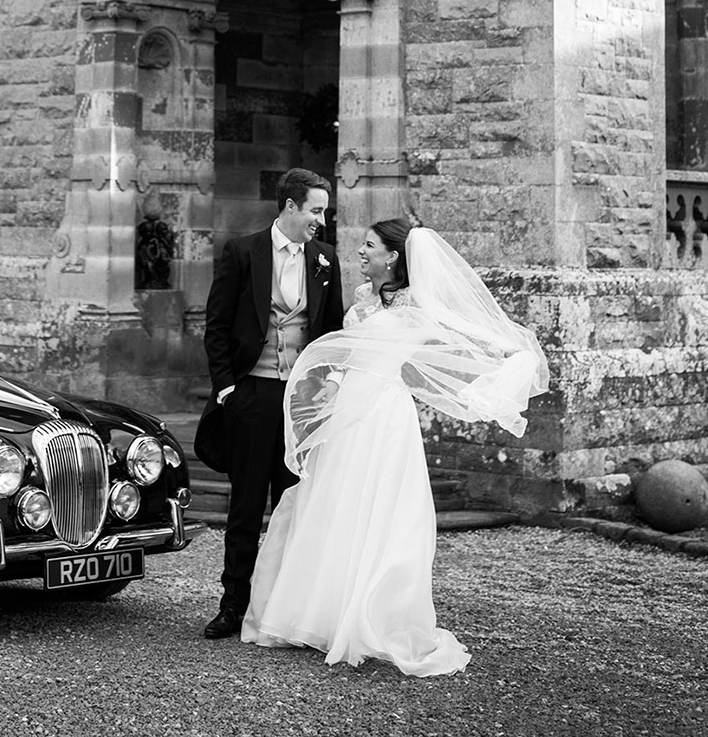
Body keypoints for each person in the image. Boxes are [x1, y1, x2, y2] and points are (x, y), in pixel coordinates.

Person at [241, 214, 550, 674]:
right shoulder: (363, 298)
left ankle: (373, 617)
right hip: (347, 413)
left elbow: (458, 342)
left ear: (393, 257)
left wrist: (511, 357)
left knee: (384, 513)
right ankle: (320, 614)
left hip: (384, 414)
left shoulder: (419, 305)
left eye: (369, 245)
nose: (360, 252)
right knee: (334, 507)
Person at [197, 168, 344, 639]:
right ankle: (232, 605)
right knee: (245, 507)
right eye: (316, 210)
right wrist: (227, 390)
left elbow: (330, 334)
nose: (321, 219)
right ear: (290, 207)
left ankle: (282, 609)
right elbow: (217, 325)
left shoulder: (325, 259)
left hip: (298, 401)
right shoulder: (243, 252)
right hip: (252, 395)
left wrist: (324, 389)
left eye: (324, 211)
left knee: (291, 503)